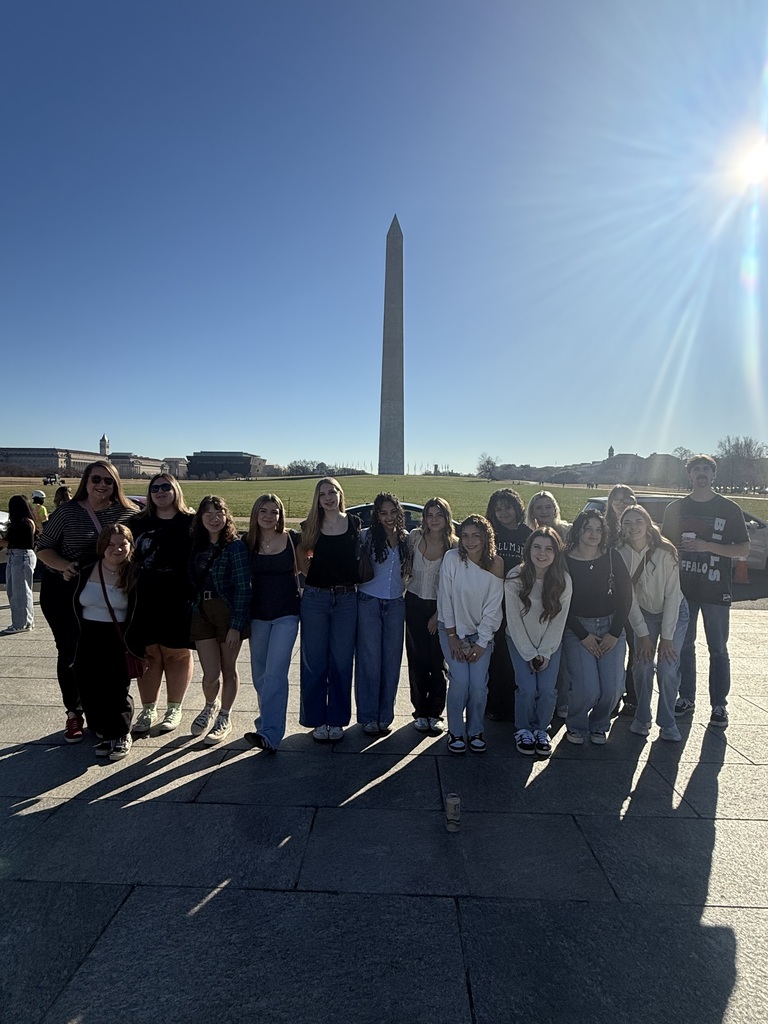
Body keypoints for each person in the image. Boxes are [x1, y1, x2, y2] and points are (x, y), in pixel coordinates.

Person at [36, 461, 139, 743]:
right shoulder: (68, 511)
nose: (102, 485)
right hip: (65, 589)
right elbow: (43, 547)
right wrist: (63, 565)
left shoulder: (128, 512)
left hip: (112, 591)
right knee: (70, 652)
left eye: (109, 481)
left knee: (109, 656)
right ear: (86, 480)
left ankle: (108, 713)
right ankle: (74, 712)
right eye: (96, 479)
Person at [662, 454, 749, 728]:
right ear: (689, 475)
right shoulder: (675, 508)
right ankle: (686, 697)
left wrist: (707, 546)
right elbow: (664, 547)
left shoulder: (729, 508)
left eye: (706, 469)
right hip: (683, 590)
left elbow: (743, 549)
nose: (701, 473)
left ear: (713, 475)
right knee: (685, 647)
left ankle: (719, 705)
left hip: (716, 590)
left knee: (718, 649)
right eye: (696, 469)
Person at [130, 474, 195, 736]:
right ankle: (148, 708)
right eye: (155, 488)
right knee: (148, 653)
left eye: (166, 486)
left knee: (176, 653)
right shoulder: (137, 523)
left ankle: (174, 707)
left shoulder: (191, 522)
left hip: (179, 597)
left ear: (176, 490)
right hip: (143, 596)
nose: (160, 491)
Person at [72, 524, 143, 762]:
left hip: (118, 637)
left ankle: (121, 733)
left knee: (116, 687)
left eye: (122, 544)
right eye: (111, 544)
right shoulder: (85, 570)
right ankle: (104, 730)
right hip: (88, 636)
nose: (117, 549)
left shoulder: (135, 573)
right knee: (90, 686)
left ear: (130, 547)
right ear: (102, 546)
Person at [618, 505, 688, 742]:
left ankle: (667, 722)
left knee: (668, 667)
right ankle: (642, 717)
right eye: (627, 522)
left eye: (638, 521)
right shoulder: (620, 553)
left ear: (648, 524)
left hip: (674, 611)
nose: (633, 527)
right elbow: (628, 598)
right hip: (643, 613)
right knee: (643, 665)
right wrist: (643, 634)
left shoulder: (665, 551)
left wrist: (666, 637)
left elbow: (672, 595)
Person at [298, 477, 360, 743]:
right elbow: (301, 553)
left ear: (340, 494)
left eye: (332, 491)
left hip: (346, 599)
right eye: (322, 493)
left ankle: (337, 719)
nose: (328, 497)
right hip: (316, 598)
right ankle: (315, 719)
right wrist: (311, 573)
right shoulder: (310, 525)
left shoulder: (354, 524)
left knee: (342, 661)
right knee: (314, 660)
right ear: (317, 498)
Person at [562, 510, 632, 745]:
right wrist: (582, 635)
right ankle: (577, 724)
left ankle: (600, 724)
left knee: (612, 688)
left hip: (611, 627)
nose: (593, 534)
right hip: (577, 629)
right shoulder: (564, 560)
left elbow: (626, 597)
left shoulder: (612, 557)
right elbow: (559, 602)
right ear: (578, 530)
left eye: (598, 529)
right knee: (587, 688)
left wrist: (614, 633)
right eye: (588, 528)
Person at [438, 515, 504, 753]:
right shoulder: (452, 558)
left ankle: (475, 730)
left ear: (487, 537)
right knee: (460, 681)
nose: (470, 541)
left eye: (476, 535)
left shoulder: (496, 563)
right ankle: (455, 731)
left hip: (481, 635)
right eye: (465, 535)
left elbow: (493, 607)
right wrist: (453, 636)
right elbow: (445, 598)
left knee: (477, 684)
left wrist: (482, 642)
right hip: (451, 631)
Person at [188, 496, 251, 745]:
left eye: (219, 513)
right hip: (201, 611)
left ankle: (225, 715)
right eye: (208, 513)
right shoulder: (196, 544)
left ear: (227, 517)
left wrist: (236, 625)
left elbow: (243, 587)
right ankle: (209, 706)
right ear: (200, 518)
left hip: (226, 611)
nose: (214, 518)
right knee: (210, 673)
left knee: (228, 668)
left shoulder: (235, 547)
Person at [505, 528, 572, 757]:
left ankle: (542, 729)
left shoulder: (563, 580)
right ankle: (523, 729)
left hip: (549, 644)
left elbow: (559, 622)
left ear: (556, 552)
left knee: (546, 689)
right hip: (519, 641)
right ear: (528, 549)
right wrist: (529, 653)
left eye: (548, 548)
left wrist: (544, 652)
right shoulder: (515, 577)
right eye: (537, 547)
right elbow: (513, 621)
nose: (542, 553)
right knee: (526, 688)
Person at [243, 493, 301, 753]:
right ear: (256, 514)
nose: (269, 516)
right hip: (257, 616)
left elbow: (311, 567)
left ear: (280, 515)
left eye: (274, 511)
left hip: (287, 614)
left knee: (276, 673)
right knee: (259, 675)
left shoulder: (292, 539)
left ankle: (270, 733)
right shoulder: (246, 542)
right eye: (263, 511)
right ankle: (265, 722)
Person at [355, 492, 409, 735]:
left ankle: (385, 715)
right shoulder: (366, 536)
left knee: (391, 662)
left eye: (393, 512)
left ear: (400, 513)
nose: (388, 517)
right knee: (369, 660)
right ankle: (368, 716)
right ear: (376, 515)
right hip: (368, 601)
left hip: (396, 604)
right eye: (383, 513)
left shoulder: (407, 538)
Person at [405, 498, 457, 733]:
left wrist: (438, 615)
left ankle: (435, 712)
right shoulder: (415, 537)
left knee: (437, 661)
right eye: (430, 514)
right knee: (417, 660)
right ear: (424, 518)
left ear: (447, 518)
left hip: (441, 607)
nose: (434, 519)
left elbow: (453, 585)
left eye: (439, 514)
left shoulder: (454, 545)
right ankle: (420, 711)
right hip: (414, 603)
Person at [484, 489, 531, 721]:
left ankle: (514, 704)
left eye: (508, 507)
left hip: (519, 603)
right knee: (495, 654)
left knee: (514, 654)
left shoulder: (528, 534)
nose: (503, 513)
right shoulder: (490, 533)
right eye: (498, 508)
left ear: (517, 508)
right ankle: (493, 704)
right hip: (492, 602)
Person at [605, 484, 638, 716]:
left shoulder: (641, 528)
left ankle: (633, 696)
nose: (621, 503)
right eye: (616, 500)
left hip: (638, 599)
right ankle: (612, 695)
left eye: (626, 499)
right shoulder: (605, 530)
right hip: (611, 600)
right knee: (614, 650)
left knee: (636, 651)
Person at [0, 495, 38, 635]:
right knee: (14, 591)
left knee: (20, 592)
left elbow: (23, 543)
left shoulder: (25, 523)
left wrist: (5, 542)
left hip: (21, 557)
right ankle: (26, 621)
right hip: (15, 557)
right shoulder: (24, 522)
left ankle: (20, 623)